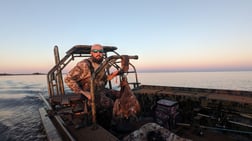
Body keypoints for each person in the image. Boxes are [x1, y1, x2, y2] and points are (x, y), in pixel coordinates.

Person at [64, 44, 119, 128]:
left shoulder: (101, 65)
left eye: (100, 51)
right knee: (110, 103)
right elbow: (68, 79)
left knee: (120, 94)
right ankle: (110, 125)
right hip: (89, 94)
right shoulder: (84, 64)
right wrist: (84, 92)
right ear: (91, 53)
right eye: (95, 51)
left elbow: (102, 80)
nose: (98, 53)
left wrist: (113, 75)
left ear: (103, 53)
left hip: (101, 90)